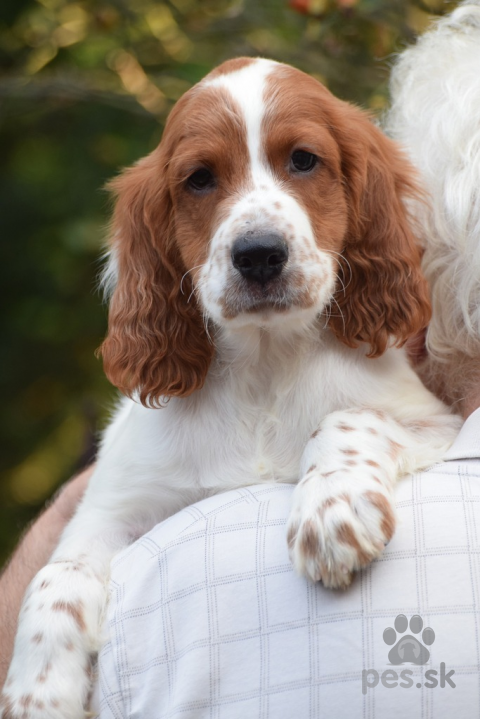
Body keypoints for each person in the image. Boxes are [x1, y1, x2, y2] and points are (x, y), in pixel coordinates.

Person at [2, 2, 480, 717]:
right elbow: (104, 523)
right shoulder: (154, 436)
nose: (258, 229)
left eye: (303, 162)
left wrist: (351, 443)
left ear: (363, 197)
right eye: (202, 179)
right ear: (161, 233)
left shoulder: (372, 378)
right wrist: (53, 616)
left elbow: (436, 433)